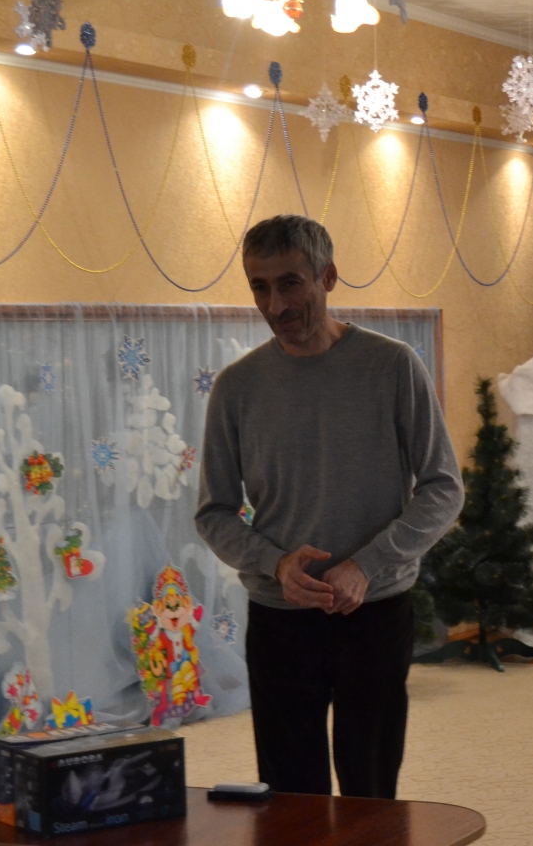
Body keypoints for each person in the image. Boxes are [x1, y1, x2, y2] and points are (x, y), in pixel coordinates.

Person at [196, 214, 463, 808]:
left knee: (371, 795)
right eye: (260, 287)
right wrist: (275, 564)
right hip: (280, 617)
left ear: (328, 277)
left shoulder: (393, 366)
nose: (275, 305)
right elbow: (214, 512)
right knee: (291, 804)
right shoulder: (237, 387)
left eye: (290, 283)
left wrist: (365, 566)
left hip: (375, 610)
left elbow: (444, 488)